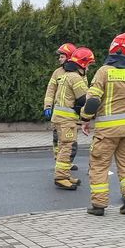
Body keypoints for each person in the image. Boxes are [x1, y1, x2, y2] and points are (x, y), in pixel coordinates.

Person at [80, 33, 125, 216]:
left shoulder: (104, 72)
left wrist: (85, 118)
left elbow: (93, 101)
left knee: (99, 165)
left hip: (107, 131)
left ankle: (99, 205)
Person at [48, 46, 92, 190]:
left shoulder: (67, 75)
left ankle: (65, 175)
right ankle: (61, 177)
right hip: (66, 120)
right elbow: (84, 99)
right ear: (82, 64)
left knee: (63, 146)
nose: (89, 68)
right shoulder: (75, 77)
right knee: (67, 147)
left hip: (60, 118)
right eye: (88, 65)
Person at [43, 42, 78, 171]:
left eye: (62, 56)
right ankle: (59, 162)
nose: (59, 59)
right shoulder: (57, 73)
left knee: (70, 141)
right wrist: (47, 106)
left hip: (72, 116)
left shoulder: (79, 73)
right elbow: (50, 90)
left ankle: (66, 162)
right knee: (57, 139)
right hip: (58, 115)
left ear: (69, 58)